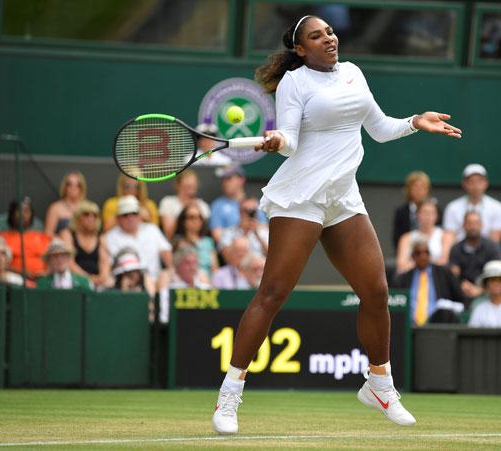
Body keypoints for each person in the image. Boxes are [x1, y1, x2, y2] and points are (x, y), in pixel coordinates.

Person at [211, 14, 462, 435]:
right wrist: (276, 140)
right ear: (301, 49)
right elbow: (290, 140)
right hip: (302, 197)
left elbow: (379, 130)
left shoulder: (353, 72)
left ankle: (379, 384)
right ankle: (229, 395)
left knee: (377, 291)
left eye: (329, 31)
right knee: (272, 294)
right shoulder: (296, 82)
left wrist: (415, 121)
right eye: (316, 36)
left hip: (343, 198)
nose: (328, 38)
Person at [393, 239, 466, 325]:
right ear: (413, 256)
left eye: (426, 253)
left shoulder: (444, 273)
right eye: (418, 253)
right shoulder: (404, 278)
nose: (423, 256)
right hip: (409, 325)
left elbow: (460, 297)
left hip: (438, 324)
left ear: (430, 255)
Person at [104, 195, 173, 280]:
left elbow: (165, 251)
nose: (130, 218)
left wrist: (171, 269)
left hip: (155, 281)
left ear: (140, 216)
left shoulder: (152, 229)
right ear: (118, 218)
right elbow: (108, 265)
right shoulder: (109, 237)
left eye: (134, 214)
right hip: (126, 284)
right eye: (125, 215)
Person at [443, 163, 501, 244]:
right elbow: (449, 236)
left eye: (479, 181)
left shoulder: (498, 207)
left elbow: (495, 240)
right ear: (464, 184)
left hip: (487, 254)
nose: (476, 186)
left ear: (486, 183)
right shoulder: (452, 207)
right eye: (471, 181)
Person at [449, 211, 501, 299]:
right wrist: (461, 285)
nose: (473, 226)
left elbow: (499, 275)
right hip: (463, 294)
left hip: (488, 294)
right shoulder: (456, 249)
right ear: (463, 226)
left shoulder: (492, 247)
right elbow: (453, 275)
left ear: (482, 225)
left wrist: (481, 290)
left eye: (476, 223)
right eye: (469, 223)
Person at [59, 200, 111, 288]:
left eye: (94, 215)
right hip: (74, 278)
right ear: (78, 217)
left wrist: (101, 278)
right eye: (86, 214)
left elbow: (105, 262)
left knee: (109, 282)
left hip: (97, 280)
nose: (91, 218)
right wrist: (87, 278)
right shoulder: (67, 234)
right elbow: (69, 262)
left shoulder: (101, 238)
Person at [395, 197, 451, 273]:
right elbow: (401, 265)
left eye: (431, 213)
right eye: (424, 212)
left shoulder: (445, 236)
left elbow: (444, 261)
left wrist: (418, 265)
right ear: (417, 215)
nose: (428, 216)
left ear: (437, 216)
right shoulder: (406, 238)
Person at [158, 244, 212, 324]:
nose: (192, 267)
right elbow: (164, 318)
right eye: (188, 263)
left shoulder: (205, 288)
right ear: (177, 265)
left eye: (195, 262)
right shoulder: (169, 290)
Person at [0, 198, 51, 279]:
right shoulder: (2, 238)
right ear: (12, 214)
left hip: (43, 280)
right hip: (14, 281)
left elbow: (53, 260)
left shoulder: (42, 237)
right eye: (19, 210)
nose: (23, 214)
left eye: (27, 211)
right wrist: (21, 273)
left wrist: (46, 273)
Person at [159, 170, 211, 241]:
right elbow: (169, 234)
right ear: (178, 186)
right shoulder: (168, 202)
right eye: (186, 186)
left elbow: (204, 234)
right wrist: (186, 209)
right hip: (175, 245)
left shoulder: (203, 206)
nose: (190, 190)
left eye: (192, 186)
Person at [173, 201, 219, 280]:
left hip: (208, 284)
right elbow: (175, 268)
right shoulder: (178, 242)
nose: (196, 221)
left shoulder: (208, 242)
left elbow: (215, 269)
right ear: (183, 221)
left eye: (199, 217)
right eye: (191, 217)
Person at [391, 171, 431, 250]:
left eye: (422, 187)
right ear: (408, 190)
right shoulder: (401, 212)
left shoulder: (436, 210)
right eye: (415, 187)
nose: (419, 191)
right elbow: (396, 238)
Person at [44, 171, 87, 237]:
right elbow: (48, 233)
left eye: (78, 184)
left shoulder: (88, 207)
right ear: (64, 187)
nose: (73, 187)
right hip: (61, 244)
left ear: (82, 188)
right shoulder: (55, 208)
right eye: (69, 184)